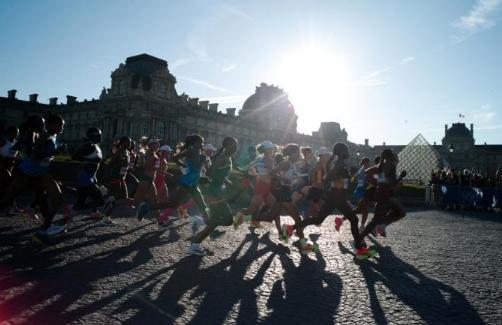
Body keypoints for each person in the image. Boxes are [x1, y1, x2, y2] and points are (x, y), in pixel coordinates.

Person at [282, 142, 372, 259]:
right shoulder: (338, 163)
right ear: (341, 152)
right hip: (336, 196)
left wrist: (345, 176)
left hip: (335, 196)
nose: (348, 152)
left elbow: (331, 178)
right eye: (346, 150)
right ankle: (359, 250)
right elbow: (327, 178)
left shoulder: (337, 162)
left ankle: (290, 228)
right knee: (353, 219)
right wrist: (337, 177)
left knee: (318, 219)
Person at [0, 115, 66, 241]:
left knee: (48, 198)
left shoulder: (53, 136)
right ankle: (45, 229)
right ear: (51, 125)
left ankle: (46, 228)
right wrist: (55, 152)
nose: (62, 127)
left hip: (36, 172)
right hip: (29, 172)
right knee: (6, 200)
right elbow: (36, 156)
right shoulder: (45, 136)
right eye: (60, 125)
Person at [188, 137, 238, 255]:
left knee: (223, 220)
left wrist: (224, 180)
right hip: (213, 192)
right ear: (227, 146)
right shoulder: (223, 158)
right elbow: (209, 172)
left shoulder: (226, 158)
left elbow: (216, 172)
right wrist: (218, 180)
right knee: (226, 220)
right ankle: (195, 243)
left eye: (236, 145)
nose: (235, 147)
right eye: (233, 145)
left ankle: (199, 224)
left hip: (216, 191)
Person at [359, 149, 406, 241]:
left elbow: (366, 172)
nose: (394, 156)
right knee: (400, 212)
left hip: (380, 194)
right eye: (393, 154)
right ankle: (359, 238)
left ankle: (379, 226)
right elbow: (392, 184)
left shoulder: (380, 166)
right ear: (390, 156)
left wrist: (376, 182)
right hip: (386, 196)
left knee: (397, 212)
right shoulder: (391, 166)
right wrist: (400, 177)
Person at [64, 127, 106, 223]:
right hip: (86, 178)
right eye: (99, 134)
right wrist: (89, 160)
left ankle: (72, 213)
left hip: (90, 177)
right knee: (100, 200)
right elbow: (75, 156)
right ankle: (74, 208)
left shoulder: (95, 146)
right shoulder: (89, 145)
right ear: (93, 136)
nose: (101, 136)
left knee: (83, 199)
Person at [0, 126, 21, 215]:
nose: (16, 134)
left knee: (8, 187)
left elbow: (18, 155)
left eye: (17, 132)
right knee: (10, 186)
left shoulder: (16, 143)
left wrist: (16, 159)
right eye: (15, 132)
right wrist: (3, 159)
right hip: (2, 167)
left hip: (11, 168)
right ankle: (10, 207)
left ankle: (11, 206)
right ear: (9, 132)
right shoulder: (3, 141)